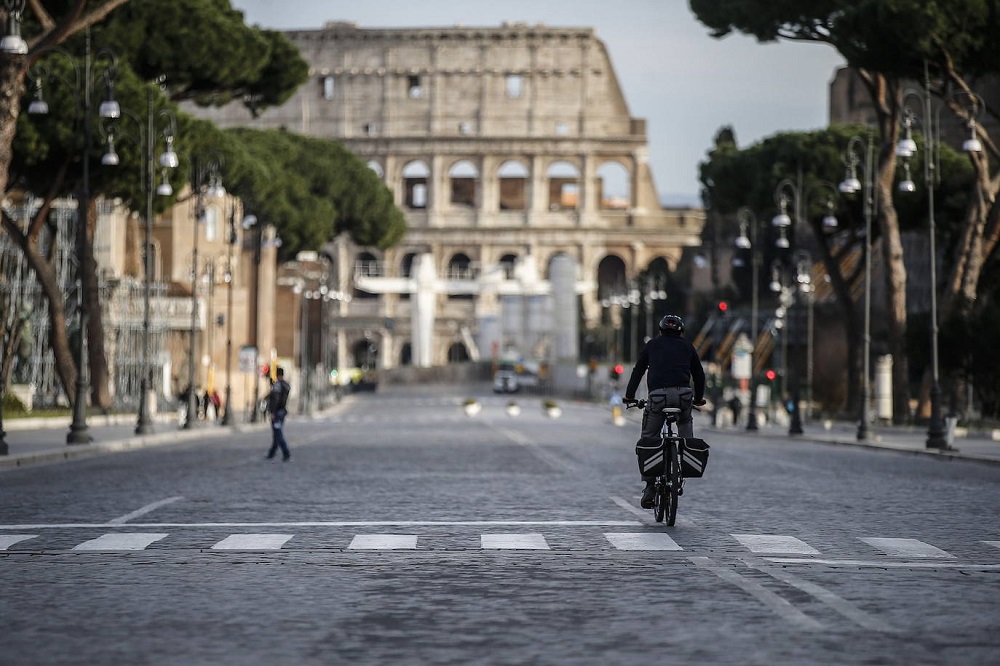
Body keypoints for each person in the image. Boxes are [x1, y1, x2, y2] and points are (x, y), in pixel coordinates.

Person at [623, 314, 707, 508]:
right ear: (681, 332)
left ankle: (650, 486)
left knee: (650, 436)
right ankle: (686, 459)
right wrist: (698, 398)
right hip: (684, 397)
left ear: (660, 331)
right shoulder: (687, 346)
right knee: (685, 424)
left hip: (658, 397)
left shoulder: (652, 345)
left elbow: (638, 370)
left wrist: (629, 396)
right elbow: (699, 374)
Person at [266, 367, 292, 461]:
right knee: (277, 433)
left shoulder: (277, 386)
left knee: (278, 433)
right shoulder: (286, 385)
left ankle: (286, 452)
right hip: (282, 411)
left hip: (277, 412)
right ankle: (272, 452)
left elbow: (276, 399)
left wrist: (273, 412)